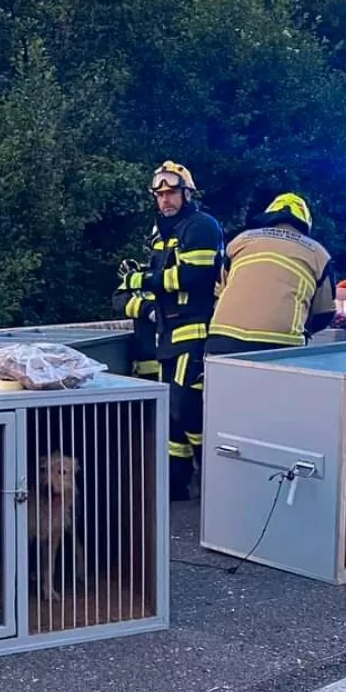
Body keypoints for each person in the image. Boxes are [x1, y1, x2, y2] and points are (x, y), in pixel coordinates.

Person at [112, 162, 223, 499]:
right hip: (167, 333)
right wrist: (146, 300)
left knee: (187, 404)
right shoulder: (163, 234)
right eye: (160, 195)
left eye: (171, 192)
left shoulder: (201, 226)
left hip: (195, 330)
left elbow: (193, 276)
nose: (165, 200)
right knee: (172, 418)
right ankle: (177, 484)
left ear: (186, 193)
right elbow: (126, 296)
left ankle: (212, 472)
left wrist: (142, 281)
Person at [207, 192, 336, 356]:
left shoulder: (240, 241)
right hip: (279, 344)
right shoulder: (318, 254)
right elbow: (324, 313)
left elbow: (220, 289)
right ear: (305, 224)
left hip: (222, 338)